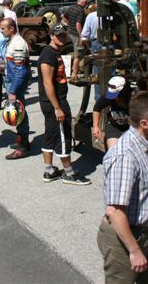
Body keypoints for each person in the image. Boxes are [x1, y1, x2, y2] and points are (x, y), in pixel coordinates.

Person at [97, 92, 148, 284]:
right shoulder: (125, 156)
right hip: (124, 239)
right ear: (144, 124)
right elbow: (115, 211)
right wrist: (134, 250)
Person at [38, 23, 91, 185]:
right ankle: (69, 173)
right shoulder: (48, 55)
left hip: (54, 102)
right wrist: (57, 108)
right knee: (63, 136)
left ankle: (49, 170)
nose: (61, 38)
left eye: (63, 35)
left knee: (50, 134)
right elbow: (47, 84)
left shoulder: (55, 52)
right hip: (55, 102)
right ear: (51, 36)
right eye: (58, 35)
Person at [0, 18, 32, 160]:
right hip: (14, 83)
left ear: (12, 28)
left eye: (3, 28)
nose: (2, 31)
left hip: (16, 85)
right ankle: (22, 141)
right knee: (20, 114)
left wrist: (13, 90)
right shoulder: (14, 42)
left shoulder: (18, 43)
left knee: (19, 114)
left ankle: (23, 147)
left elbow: (21, 71)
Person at [91, 76, 132, 149]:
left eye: (116, 95)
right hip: (114, 126)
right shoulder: (109, 95)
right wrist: (95, 126)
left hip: (130, 128)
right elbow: (97, 108)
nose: (113, 97)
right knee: (113, 150)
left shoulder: (133, 99)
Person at [65, 0, 89, 78]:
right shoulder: (81, 10)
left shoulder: (71, 7)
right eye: (86, 3)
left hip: (70, 32)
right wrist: (81, 36)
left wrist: (69, 25)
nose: (86, 5)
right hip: (76, 34)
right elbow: (78, 24)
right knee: (78, 56)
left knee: (78, 52)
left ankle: (77, 70)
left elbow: (63, 16)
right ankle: (74, 74)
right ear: (83, 2)